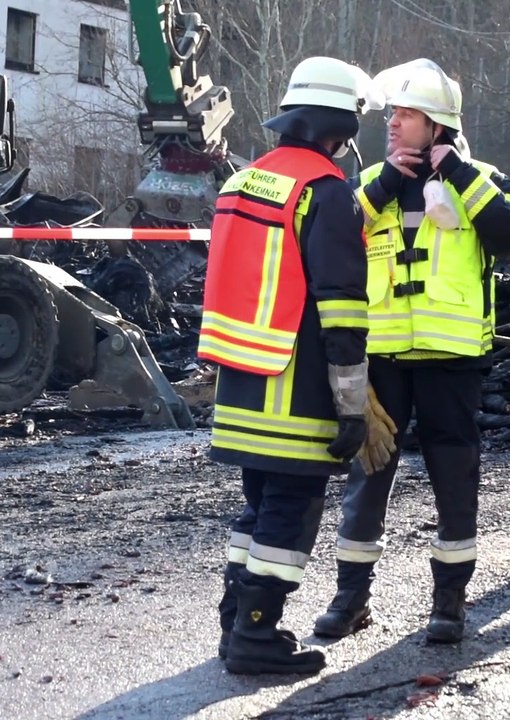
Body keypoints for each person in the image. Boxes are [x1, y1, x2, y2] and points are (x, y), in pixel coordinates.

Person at [312, 58, 510, 644]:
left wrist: (457, 172)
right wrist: (385, 184)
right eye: (392, 112)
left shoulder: (483, 179)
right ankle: (350, 599)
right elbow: (331, 238)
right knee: (367, 480)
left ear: (437, 125)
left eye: (406, 114)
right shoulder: (368, 184)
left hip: (451, 362)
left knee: (454, 481)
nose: (392, 122)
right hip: (383, 362)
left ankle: (449, 604)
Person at [200, 55, 382, 675]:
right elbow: (343, 311)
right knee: (291, 509)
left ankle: (236, 623)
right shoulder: (326, 194)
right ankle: (256, 635)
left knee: (259, 506)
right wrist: (353, 406)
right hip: (295, 383)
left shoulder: (243, 181)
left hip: (240, 379)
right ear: (342, 128)